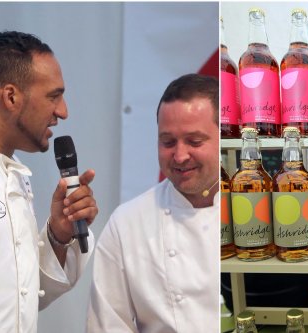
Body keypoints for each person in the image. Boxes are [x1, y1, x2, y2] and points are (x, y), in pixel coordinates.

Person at [0, 31, 99, 332]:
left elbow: (23, 294)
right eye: (54, 96)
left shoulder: (11, 169)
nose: (63, 112)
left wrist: (59, 234)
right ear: (11, 97)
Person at [86, 74, 220, 332]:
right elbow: (108, 325)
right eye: (168, 142)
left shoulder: (246, 210)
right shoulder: (127, 224)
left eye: (194, 141)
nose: (180, 156)